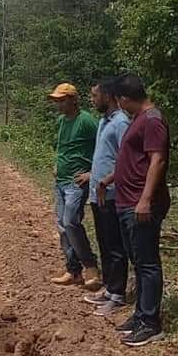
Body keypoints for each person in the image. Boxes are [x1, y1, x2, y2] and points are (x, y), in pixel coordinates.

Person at [104, 73, 170, 348]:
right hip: (127, 200)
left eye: (120, 102)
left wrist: (145, 199)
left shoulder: (153, 120)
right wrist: (110, 179)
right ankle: (141, 315)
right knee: (138, 261)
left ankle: (151, 323)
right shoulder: (139, 120)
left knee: (147, 263)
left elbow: (158, 160)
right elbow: (131, 159)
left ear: (124, 99)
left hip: (140, 204)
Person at [77, 78, 129, 317]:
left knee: (115, 245)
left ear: (108, 96)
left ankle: (118, 294)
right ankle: (108, 289)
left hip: (112, 194)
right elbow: (104, 155)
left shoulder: (120, 123)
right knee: (104, 243)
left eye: (95, 95)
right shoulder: (103, 121)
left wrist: (107, 180)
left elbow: (124, 160)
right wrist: (92, 175)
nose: (92, 99)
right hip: (98, 193)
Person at [49, 82, 101, 291]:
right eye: (56, 101)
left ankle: (90, 266)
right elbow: (62, 146)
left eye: (62, 100)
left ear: (73, 99)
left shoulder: (87, 121)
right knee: (62, 225)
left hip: (76, 182)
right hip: (60, 181)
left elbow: (105, 147)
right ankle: (73, 270)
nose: (59, 105)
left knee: (71, 222)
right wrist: (56, 163)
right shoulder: (62, 121)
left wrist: (92, 173)